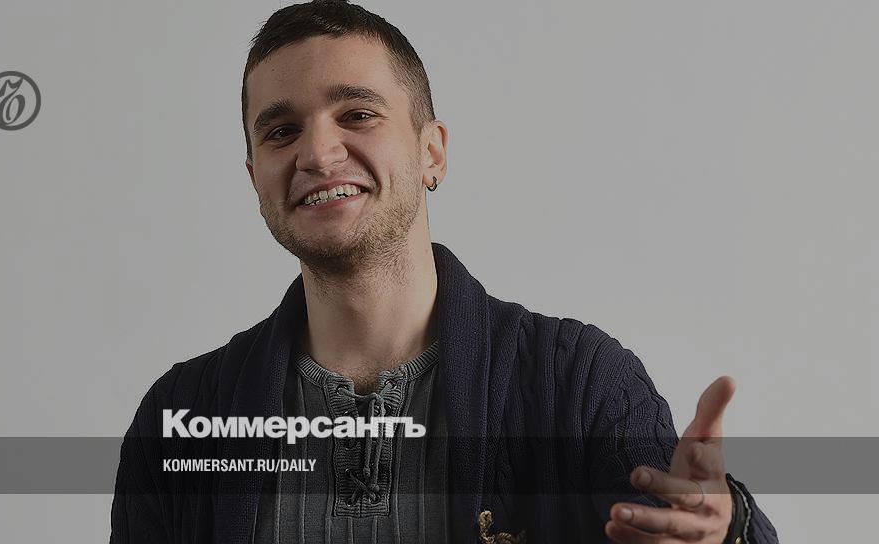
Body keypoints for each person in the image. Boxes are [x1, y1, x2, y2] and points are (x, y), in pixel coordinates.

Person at [111, 1, 779, 542]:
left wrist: (725, 531)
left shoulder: (578, 384)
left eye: (358, 115)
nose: (317, 150)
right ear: (255, 176)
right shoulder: (180, 416)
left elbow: (681, 524)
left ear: (432, 153)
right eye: (281, 131)